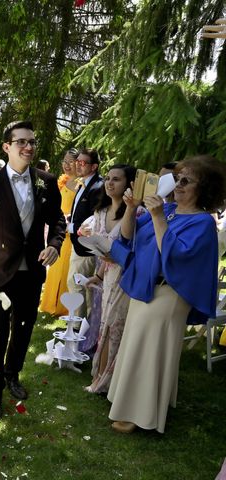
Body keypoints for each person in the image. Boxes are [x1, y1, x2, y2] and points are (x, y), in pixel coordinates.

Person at [107, 155, 226, 434]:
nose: (179, 185)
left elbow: (176, 255)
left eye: (187, 180)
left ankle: (141, 414)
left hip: (169, 294)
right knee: (136, 348)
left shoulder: (202, 223)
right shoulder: (169, 208)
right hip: (144, 288)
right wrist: (131, 208)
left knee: (150, 352)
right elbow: (128, 236)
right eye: (178, 179)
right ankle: (131, 404)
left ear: (204, 187)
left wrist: (159, 217)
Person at [0, 120, 66, 407]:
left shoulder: (46, 180)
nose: (28, 147)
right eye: (21, 142)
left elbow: (57, 220)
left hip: (30, 272)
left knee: (23, 327)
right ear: (7, 147)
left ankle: (12, 374)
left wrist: (55, 245)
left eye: (32, 141)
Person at [81, 164, 136, 393]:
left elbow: (126, 240)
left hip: (127, 275)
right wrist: (97, 275)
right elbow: (103, 251)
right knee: (105, 324)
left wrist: (131, 208)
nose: (110, 183)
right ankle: (101, 376)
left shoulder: (137, 212)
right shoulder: (100, 213)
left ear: (129, 184)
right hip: (109, 275)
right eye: (108, 178)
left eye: (117, 179)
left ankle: (110, 382)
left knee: (116, 327)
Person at [39, 149, 78, 316]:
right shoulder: (61, 181)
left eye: (71, 162)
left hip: (71, 232)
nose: (66, 165)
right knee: (54, 269)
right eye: (65, 161)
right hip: (57, 230)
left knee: (65, 270)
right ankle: (50, 303)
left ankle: (63, 306)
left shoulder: (81, 184)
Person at [66, 148, 104, 318]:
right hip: (79, 244)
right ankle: (86, 328)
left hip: (87, 245)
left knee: (75, 284)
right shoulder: (84, 182)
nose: (78, 165)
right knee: (86, 287)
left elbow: (95, 221)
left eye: (83, 162)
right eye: (77, 161)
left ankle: (75, 327)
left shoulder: (97, 186)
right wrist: (70, 218)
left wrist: (70, 227)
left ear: (94, 166)